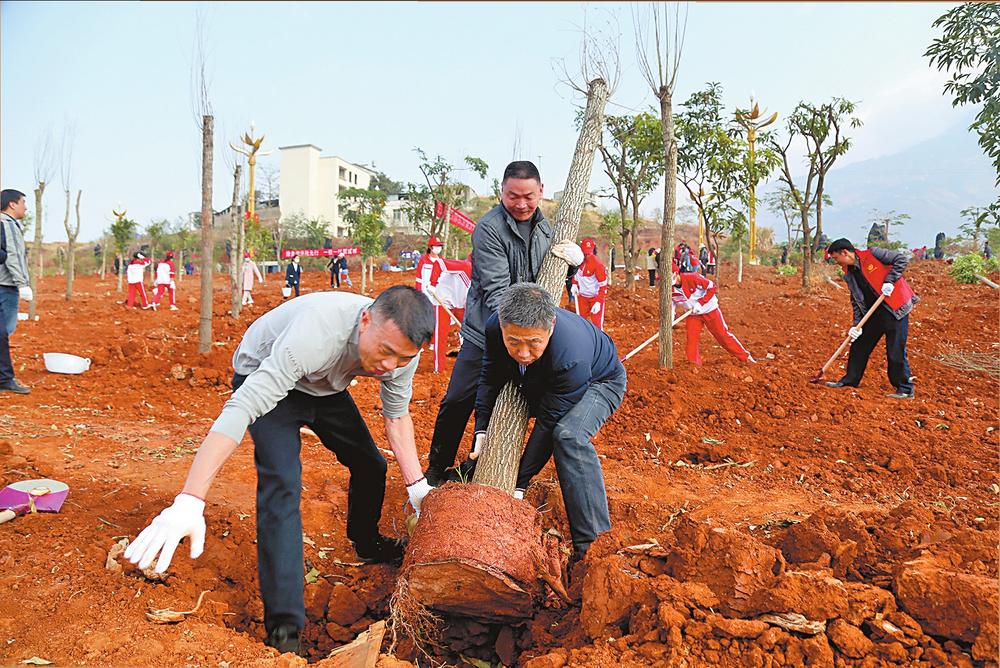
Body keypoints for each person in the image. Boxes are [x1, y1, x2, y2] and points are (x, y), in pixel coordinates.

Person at [125, 286, 436, 654]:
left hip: (323, 386)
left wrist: (417, 487)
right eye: (385, 352)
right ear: (365, 320)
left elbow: (397, 418)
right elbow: (242, 408)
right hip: (264, 372)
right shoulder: (316, 334)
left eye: (402, 358)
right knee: (283, 487)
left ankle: (367, 544)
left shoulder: (402, 351)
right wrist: (190, 499)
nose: (390, 366)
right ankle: (284, 631)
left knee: (370, 463)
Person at [424, 161, 582, 486]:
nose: (521, 204)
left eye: (528, 196)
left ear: (541, 191)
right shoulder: (489, 229)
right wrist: (521, 331)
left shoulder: (549, 231)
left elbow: (552, 279)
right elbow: (497, 291)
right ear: (502, 192)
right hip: (486, 330)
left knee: (513, 402)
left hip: (529, 333)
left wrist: (573, 266)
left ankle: (476, 469)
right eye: (513, 196)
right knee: (459, 399)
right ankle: (436, 470)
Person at [472, 283, 625, 557]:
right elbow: (490, 374)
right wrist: (481, 428)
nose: (523, 353)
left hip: (601, 381)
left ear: (551, 327)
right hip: (550, 377)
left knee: (569, 436)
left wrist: (519, 483)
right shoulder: (495, 326)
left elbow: (548, 422)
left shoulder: (571, 357)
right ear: (503, 327)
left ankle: (591, 544)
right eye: (514, 342)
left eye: (534, 343)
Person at [824, 238, 918, 399]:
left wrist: (890, 281)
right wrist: (856, 325)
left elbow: (901, 259)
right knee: (859, 345)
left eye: (836, 258)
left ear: (845, 253)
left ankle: (905, 388)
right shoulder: (849, 273)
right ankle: (850, 380)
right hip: (873, 313)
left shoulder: (874, 254)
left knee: (895, 349)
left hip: (895, 309)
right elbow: (856, 299)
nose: (836, 262)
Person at [672, 263, 755, 366]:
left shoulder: (693, 277)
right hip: (693, 315)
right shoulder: (669, 289)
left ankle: (745, 357)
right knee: (691, 340)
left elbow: (712, 287)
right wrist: (670, 320)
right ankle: (693, 365)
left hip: (710, 309)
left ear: (676, 273)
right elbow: (671, 305)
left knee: (722, 335)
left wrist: (701, 303)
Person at [0, 189, 33, 394]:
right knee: (4, 331)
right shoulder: (8, 224)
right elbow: (13, 256)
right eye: (23, 203)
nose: (25, 208)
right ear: (12, 204)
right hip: (5, 285)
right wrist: (22, 283)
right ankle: (4, 378)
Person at [415, 236, 455, 373]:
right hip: (426, 295)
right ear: (430, 247)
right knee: (424, 320)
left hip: (438, 296)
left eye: (440, 246)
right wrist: (419, 293)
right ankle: (421, 343)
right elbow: (419, 279)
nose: (438, 249)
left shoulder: (442, 262)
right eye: (436, 246)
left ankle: (433, 342)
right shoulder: (424, 261)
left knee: (437, 321)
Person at [571, 238, 608, 330]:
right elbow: (576, 274)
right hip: (582, 298)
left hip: (595, 298)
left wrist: (598, 302)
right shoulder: (578, 261)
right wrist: (574, 284)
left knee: (597, 325)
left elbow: (603, 286)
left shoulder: (598, 264)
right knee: (581, 323)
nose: (587, 255)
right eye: (585, 253)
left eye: (589, 253)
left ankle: (599, 339)